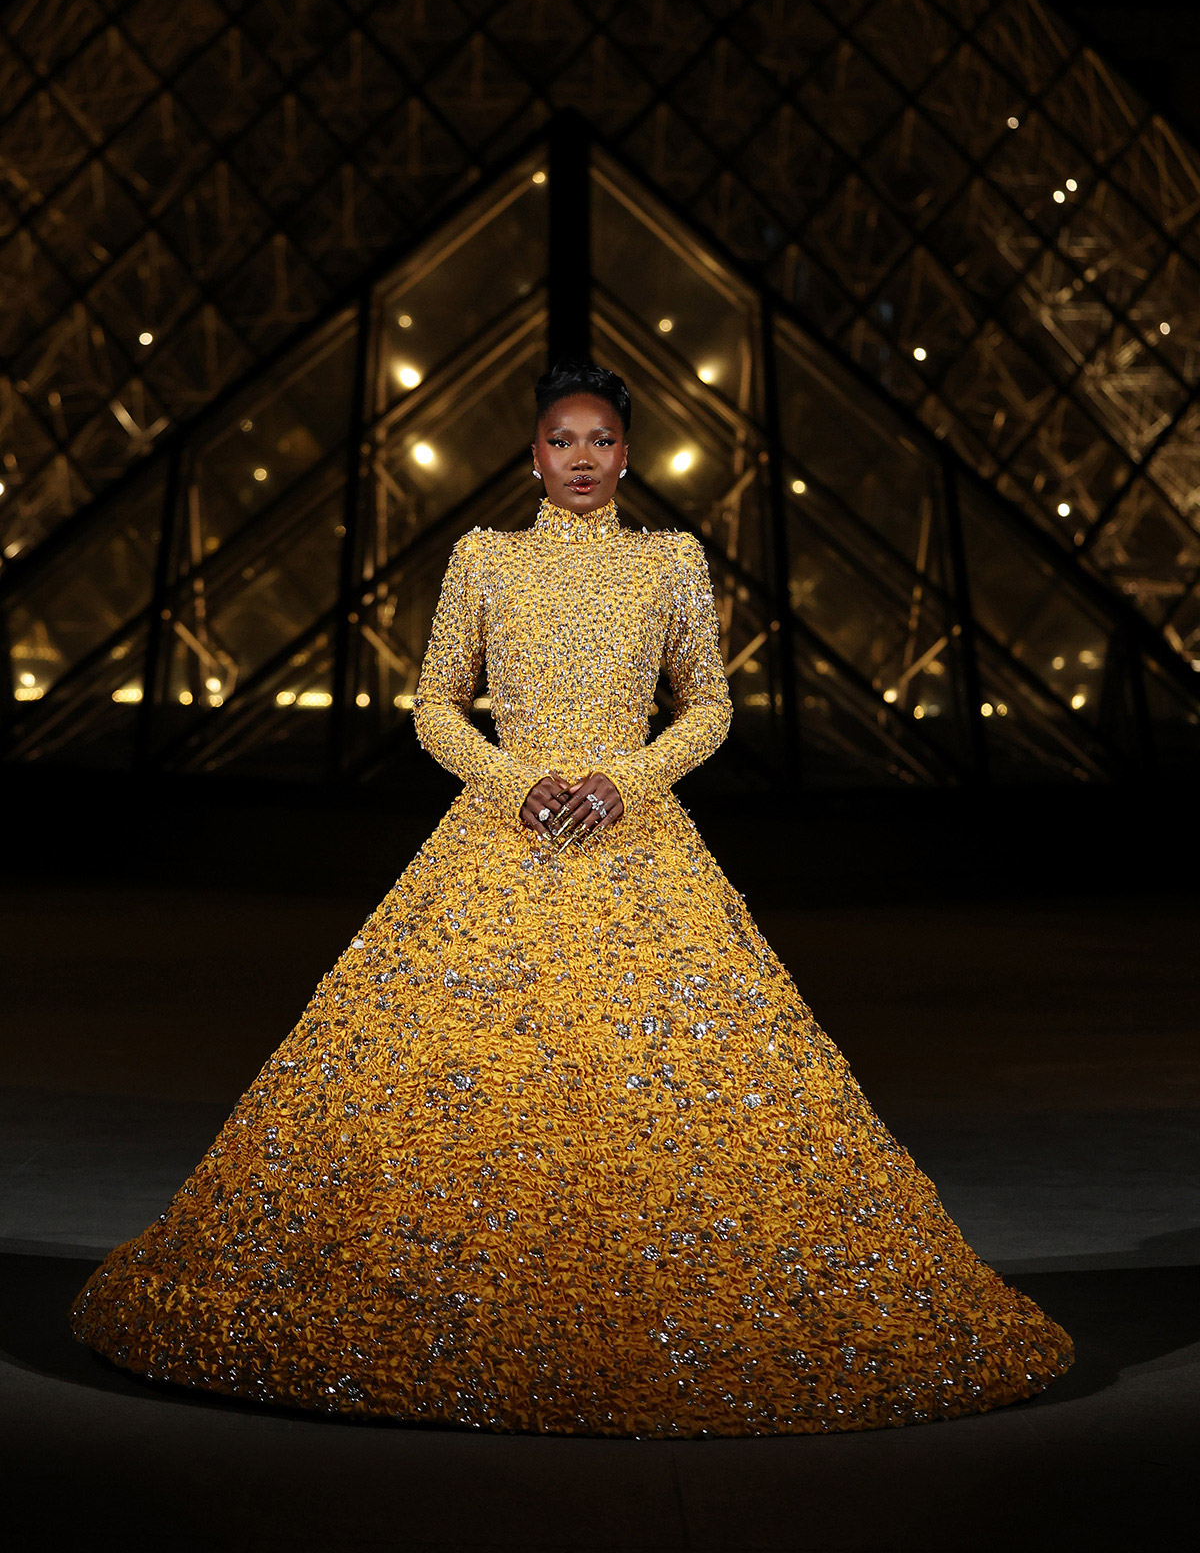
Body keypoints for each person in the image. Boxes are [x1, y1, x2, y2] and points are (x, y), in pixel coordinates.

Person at [72, 356, 1073, 1434]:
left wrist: (626, 778)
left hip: (633, 836)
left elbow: (711, 708)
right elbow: (435, 706)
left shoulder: (670, 561)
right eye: (563, 440)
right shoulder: (484, 558)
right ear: (533, 455)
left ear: (628, 454)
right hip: (504, 834)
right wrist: (515, 780)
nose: (583, 458)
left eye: (601, 440)